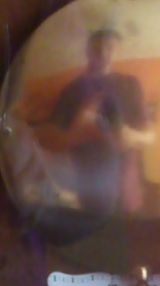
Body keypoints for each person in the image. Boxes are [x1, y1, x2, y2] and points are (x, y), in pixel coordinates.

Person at [43, 29, 153, 214]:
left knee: (132, 228)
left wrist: (131, 136)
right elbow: (50, 141)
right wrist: (80, 129)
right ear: (87, 51)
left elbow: (151, 136)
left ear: (118, 51)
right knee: (95, 227)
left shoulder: (130, 84)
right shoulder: (70, 91)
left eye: (110, 47)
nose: (103, 52)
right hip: (89, 184)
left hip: (127, 184)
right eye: (97, 47)